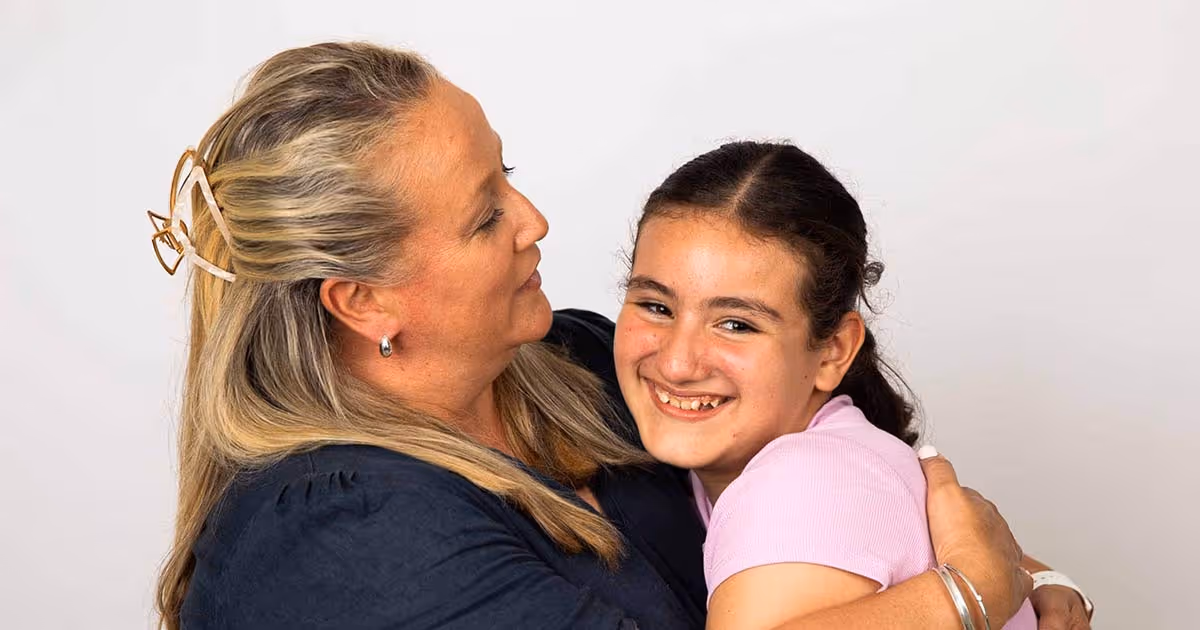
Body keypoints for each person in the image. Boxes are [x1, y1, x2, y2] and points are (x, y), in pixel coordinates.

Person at [147, 42, 1089, 629]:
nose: (535, 220)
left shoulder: (588, 362)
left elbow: (858, 512)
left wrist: (1043, 586)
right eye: (485, 215)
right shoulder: (334, 534)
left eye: (508, 174)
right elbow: (952, 577)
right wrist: (965, 596)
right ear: (363, 302)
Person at [613, 141, 1050, 628]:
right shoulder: (803, 464)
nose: (676, 364)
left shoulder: (804, 479)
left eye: (737, 324)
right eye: (656, 307)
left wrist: (974, 595)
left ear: (834, 350)